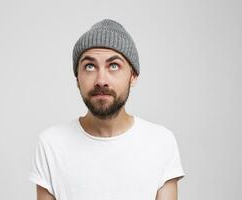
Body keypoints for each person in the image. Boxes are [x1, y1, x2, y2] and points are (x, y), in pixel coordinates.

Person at [28, 19, 185, 200]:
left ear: (133, 76)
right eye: (90, 66)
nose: (101, 80)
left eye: (113, 66)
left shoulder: (161, 142)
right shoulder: (51, 144)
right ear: (77, 78)